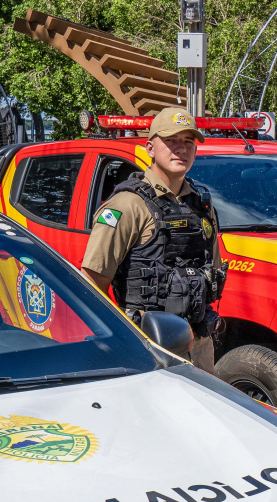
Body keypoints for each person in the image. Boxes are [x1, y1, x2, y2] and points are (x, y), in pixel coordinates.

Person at [82, 107, 226, 372]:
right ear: (150, 148)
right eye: (170, 141)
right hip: (148, 351)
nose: (180, 149)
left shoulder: (203, 207)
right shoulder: (127, 206)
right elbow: (92, 283)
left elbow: (211, 270)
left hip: (199, 349)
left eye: (188, 142)